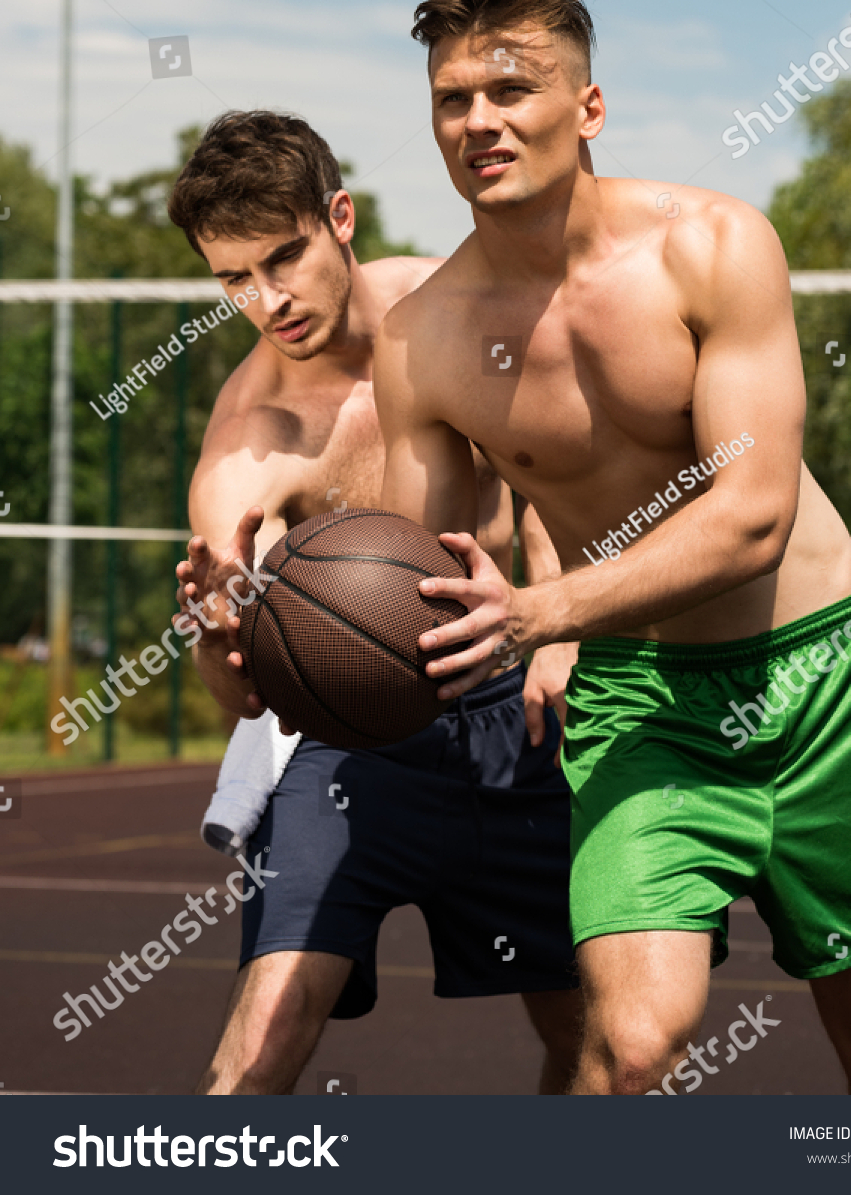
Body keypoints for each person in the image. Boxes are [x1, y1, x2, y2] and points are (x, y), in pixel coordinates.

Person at [373, 0, 851, 1097]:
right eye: (452, 99)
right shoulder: (421, 340)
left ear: (586, 107)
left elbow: (749, 520)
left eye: (509, 89)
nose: (478, 120)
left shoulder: (714, 246)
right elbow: (405, 578)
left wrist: (540, 611)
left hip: (816, 674)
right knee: (632, 1045)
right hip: (642, 701)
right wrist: (278, 619)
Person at [166, 108, 581, 1095]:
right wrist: (221, 647)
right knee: (264, 1033)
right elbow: (246, 703)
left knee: (599, 1037)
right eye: (233, 279)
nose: (267, 300)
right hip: (349, 740)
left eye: (283, 258)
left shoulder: (448, 307)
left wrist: (557, 618)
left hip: (513, 702)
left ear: (339, 217)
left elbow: (548, 473)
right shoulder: (246, 451)